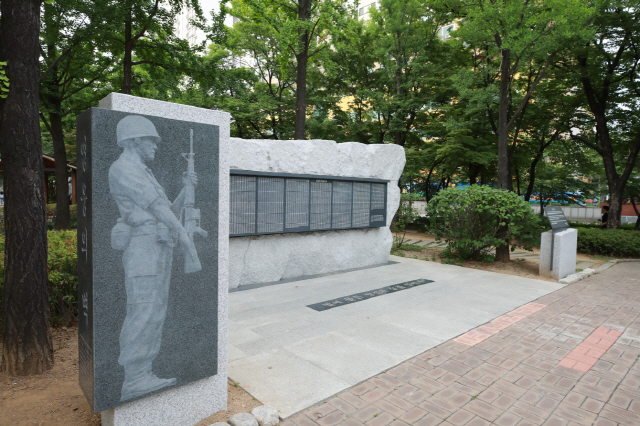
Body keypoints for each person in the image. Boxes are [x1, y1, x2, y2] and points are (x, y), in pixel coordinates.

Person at [109, 115, 201, 402]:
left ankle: (143, 374)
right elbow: (160, 210)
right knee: (143, 309)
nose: (156, 146)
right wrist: (187, 243)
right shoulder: (124, 168)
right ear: (136, 139)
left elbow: (165, 209)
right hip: (143, 247)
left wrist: (187, 188)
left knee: (154, 309)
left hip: (155, 245)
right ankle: (134, 379)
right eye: (152, 140)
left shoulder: (141, 170)